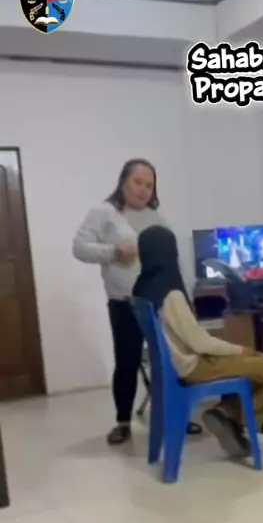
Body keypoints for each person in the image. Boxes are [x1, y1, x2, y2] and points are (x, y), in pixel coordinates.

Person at [133, 226, 263, 458]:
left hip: (175, 366)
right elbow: (199, 343)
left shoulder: (142, 288)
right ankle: (233, 419)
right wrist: (241, 349)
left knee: (258, 362)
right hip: (194, 366)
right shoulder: (171, 294)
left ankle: (226, 414)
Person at [73, 159, 202, 445]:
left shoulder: (156, 217)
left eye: (149, 185)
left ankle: (177, 415)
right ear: (124, 181)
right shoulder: (105, 213)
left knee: (171, 360)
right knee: (128, 361)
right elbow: (79, 248)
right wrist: (113, 251)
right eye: (138, 182)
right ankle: (122, 422)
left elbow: (172, 260)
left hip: (163, 303)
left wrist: (185, 296)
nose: (143, 190)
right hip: (126, 303)